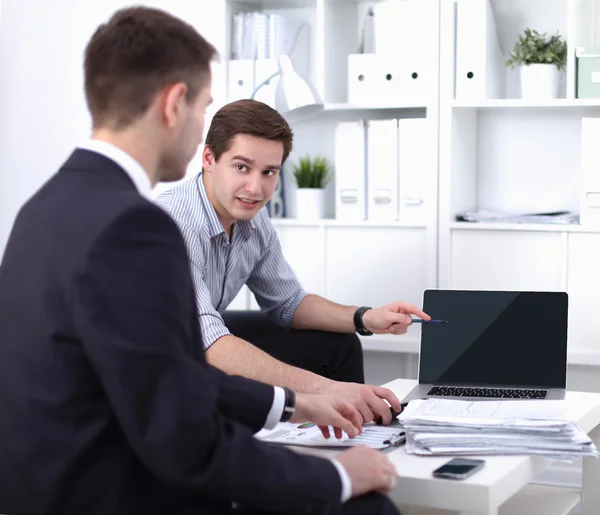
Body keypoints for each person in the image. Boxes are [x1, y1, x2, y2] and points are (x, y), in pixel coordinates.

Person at [0, 7, 403, 515]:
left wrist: (294, 403)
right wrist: (331, 476)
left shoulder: (43, 207)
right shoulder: (139, 227)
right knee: (366, 507)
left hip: (44, 485)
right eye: (204, 106)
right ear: (174, 104)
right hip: (112, 492)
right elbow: (183, 437)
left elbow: (165, 375)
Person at [155, 99, 431, 425]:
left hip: (200, 336)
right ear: (209, 158)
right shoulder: (174, 221)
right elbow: (208, 343)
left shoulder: (253, 221)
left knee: (337, 344)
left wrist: (365, 318)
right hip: (155, 359)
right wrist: (329, 389)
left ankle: (354, 440)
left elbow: (288, 303)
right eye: (242, 167)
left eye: (269, 172)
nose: (255, 188)